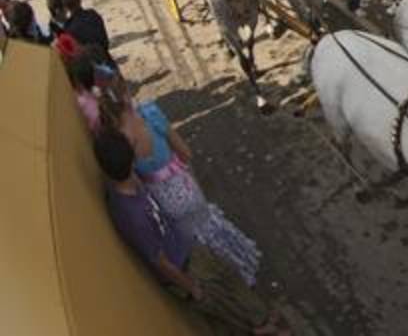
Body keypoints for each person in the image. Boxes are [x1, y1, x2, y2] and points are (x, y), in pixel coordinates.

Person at [93, 130, 288, 335]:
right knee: (224, 305)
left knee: (230, 277)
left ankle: (261, 316)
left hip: (188, 247)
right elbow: (158, 260)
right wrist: (190, 287)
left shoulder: (127, 181)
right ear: (131, 160)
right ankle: (263, 328)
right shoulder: (132, 215)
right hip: (184, 267)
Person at [62, 0, 113, 66]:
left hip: (89, 71)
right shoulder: (92, 14)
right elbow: (105, 43)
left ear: (65, 6)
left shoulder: (68, 29)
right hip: (106, 62)